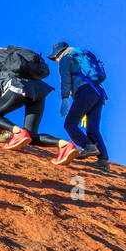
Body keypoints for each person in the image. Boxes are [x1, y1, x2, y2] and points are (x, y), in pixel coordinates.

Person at [48, 41, 110, 171]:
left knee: (69, 124)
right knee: (93, 129)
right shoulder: (80, 54)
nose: (56, 61)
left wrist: (64, 98)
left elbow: (66, 80)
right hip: (98, 93)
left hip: (85, 91)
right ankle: (103, 161)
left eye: (55, 58)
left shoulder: (65, 58)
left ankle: (88, 145)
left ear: (58, 54)